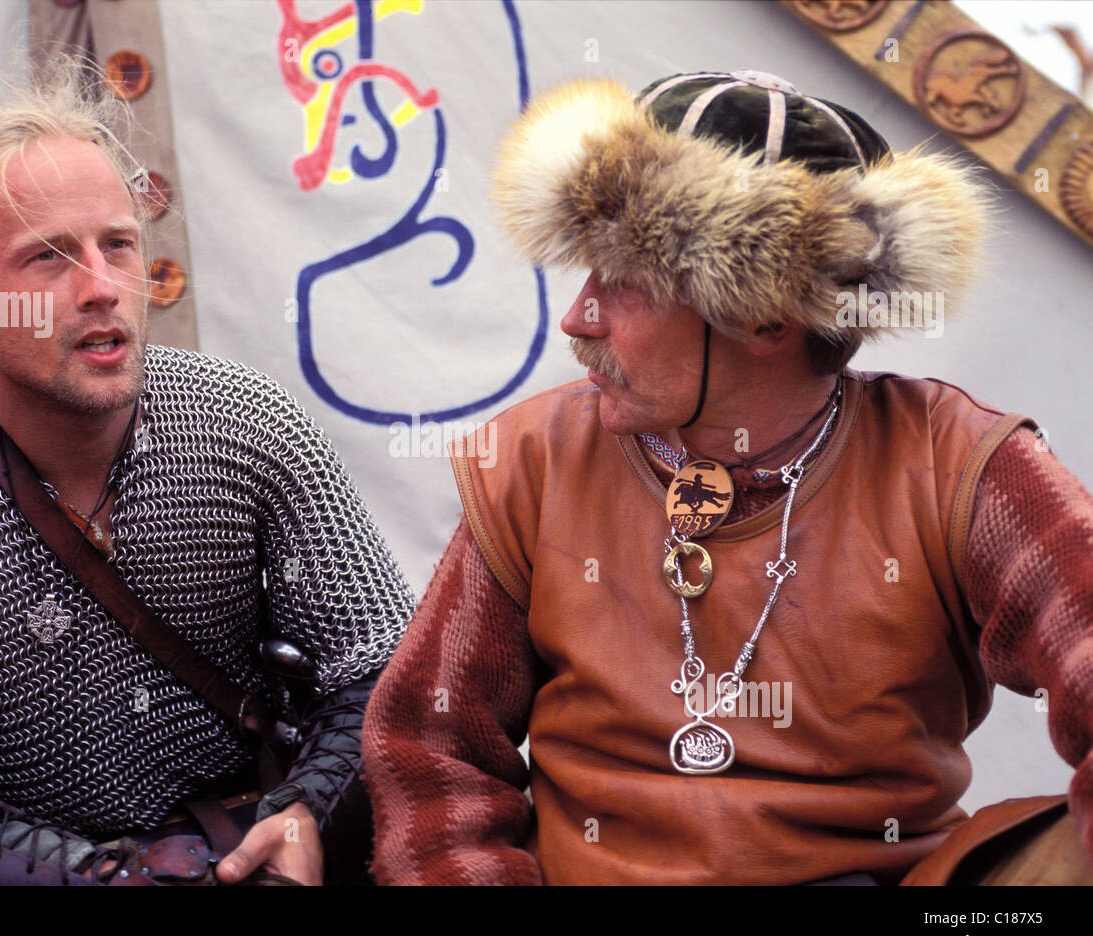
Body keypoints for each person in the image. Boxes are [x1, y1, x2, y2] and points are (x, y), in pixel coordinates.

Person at [362, 70, 1093, 884]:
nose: (578, 317)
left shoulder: (958, 464)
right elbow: (430, 748)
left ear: (764, 318)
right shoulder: (536, 461)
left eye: (625, 282)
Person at [0, 66, 414, 886]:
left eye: (117, 245)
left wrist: (306, 816)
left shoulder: (248, 431)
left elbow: (392, 671)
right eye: (48, 259)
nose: (101, 289)